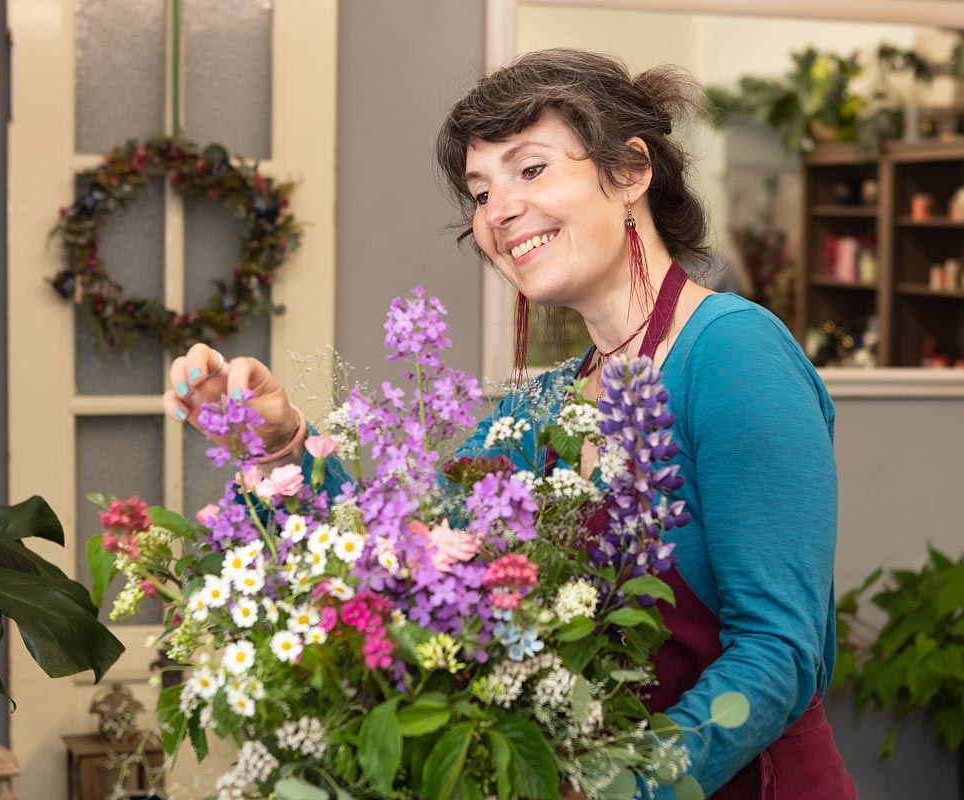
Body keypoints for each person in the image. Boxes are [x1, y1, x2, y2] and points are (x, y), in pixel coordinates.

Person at [164, 49, 857, 799]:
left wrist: (624, 785)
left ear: (629, 171)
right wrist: (281, 441)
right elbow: (400, 553)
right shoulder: (543, 407)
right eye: (480, 189)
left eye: (529, 170)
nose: (497, 211)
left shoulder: (733, 355)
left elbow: (779, 653)